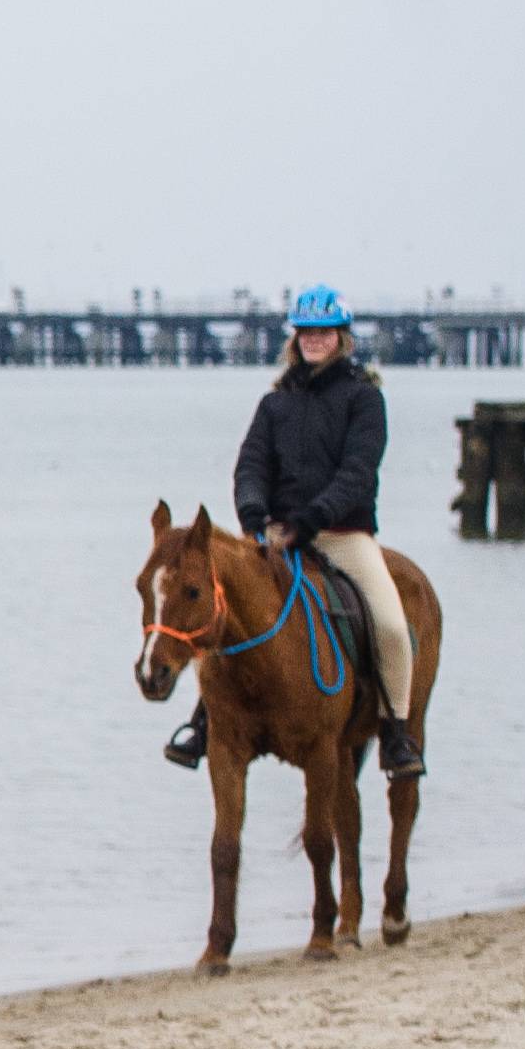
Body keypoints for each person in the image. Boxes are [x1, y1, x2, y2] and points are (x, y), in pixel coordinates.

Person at [167, 285, 421, 777]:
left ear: (341, 337)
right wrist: (254, 518)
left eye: (323, 332)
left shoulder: (365, 399)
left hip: (342, 535)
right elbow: (250, 466)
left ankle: (396, 734)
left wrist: (315, 518)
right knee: (222, 613)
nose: (314, 341)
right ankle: (203, 721)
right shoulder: (274, 404)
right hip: (276, 537)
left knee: (391, 625)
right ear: (295, 338)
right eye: (306, 332)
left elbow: (358, 472)